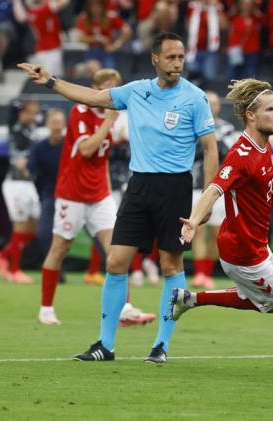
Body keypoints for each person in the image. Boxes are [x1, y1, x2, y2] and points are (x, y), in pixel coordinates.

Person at [18, 31, 218, 362]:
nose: (177, 63)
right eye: (171, 57)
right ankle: (105, 345)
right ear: (155, 59)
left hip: (175, 187)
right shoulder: (137, 91)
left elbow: (210, 148)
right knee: (115, 261)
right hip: (138, 185)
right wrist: (51, 81)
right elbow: (92, 97)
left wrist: (209, 195)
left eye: (181, 57)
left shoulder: (194, 98)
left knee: (171, 264)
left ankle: (161, 345)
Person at [170, 78, 273, 383]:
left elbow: (268, 167)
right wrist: (194, 220)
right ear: (251, 115)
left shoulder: (262, 146)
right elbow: (215, 188)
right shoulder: (240, 154)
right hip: (243, 251)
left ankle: (189, 299)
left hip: (256, 245)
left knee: (261, 301)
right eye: (270, 109)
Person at [31, 69, 154, 328]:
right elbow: (87, 150)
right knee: (60, 249)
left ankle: (126, 309)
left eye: (114, 86)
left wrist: (108, 192)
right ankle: (46, 308)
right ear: (96, 88)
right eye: (106, 86)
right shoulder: (81, 112)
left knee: (117, 252)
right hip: (72, 194)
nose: (111, 91)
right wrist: (109, 123)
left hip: (99, 195)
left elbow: (103, 160)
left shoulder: (120, 117)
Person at [0, 100, 43, 284]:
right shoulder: (16, 128)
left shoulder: (33, 128)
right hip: (15, 183)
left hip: (29, 184)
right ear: (21, 113)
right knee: (20, 227)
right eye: (28, 112)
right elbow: (13, 107)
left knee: (34, 228)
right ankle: (14, 271)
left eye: (34, 112)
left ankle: (1, 255)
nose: (31, 116)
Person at [191, 90, 235, 289]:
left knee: (218, 232)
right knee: (198, 230)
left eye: (215, 103)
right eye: (208, 103)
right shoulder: (191, 126)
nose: (212, 107)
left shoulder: (226, 129)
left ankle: (207, 273)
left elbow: (231, 154)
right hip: (196, 185)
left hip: (221, 187)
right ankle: (199, 273)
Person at [26, 108, 66, 260]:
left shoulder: (70, 145)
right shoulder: (39, 147)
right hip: (49, 195)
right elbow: (30, 168)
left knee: (68, 235)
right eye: (54, 123)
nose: (57, 126)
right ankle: (55, 266)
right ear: (48, 124)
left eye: (60, 123)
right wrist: (24, 167)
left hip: (71, 196)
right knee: (43, 234)